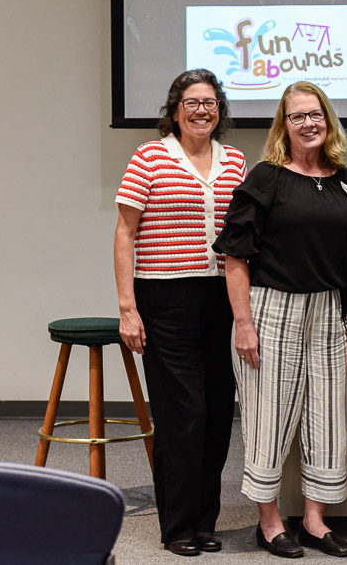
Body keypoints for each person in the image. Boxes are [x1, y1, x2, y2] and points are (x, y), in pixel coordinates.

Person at [213, 81, 347, 559]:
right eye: (297, 116)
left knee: (328, 417)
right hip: (272, 309)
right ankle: (270, 523)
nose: (309, 123)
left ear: (328, 119)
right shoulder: (266, 178)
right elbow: (235, 256)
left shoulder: (346, 181)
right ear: (284, 126)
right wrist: (243, 323)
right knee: (268, 416)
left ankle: (315, 521)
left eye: (316, 114)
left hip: (330, 313)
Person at [114, 69, 246, 557]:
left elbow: (241, 238)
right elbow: (125, 234)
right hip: (163, 300)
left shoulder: (235, 161)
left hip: (219, 299)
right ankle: (177, 526)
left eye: (210, 102)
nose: (201, 110)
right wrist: (128, 308)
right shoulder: (150, 156)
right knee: (181, 416)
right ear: (175, 110)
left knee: (215, 415)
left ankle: (204, 520)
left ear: (220, 111)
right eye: (191, 102)